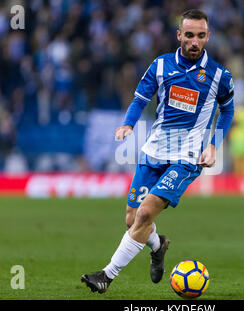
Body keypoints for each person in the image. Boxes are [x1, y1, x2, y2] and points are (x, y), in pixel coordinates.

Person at [81, 9, 235, 294]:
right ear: (179, 35)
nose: (194, 42)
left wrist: (214, 143)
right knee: (132, 217)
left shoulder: (218, 76)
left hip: (187, 157)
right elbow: (140, 98)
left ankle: (106, 275)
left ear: (207, 37)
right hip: (154, 151)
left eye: (201, 36)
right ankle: (158, 245)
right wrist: (128, 124)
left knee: (144, 215)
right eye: (189, 35)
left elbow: (227, 110)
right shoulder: (161, 66)